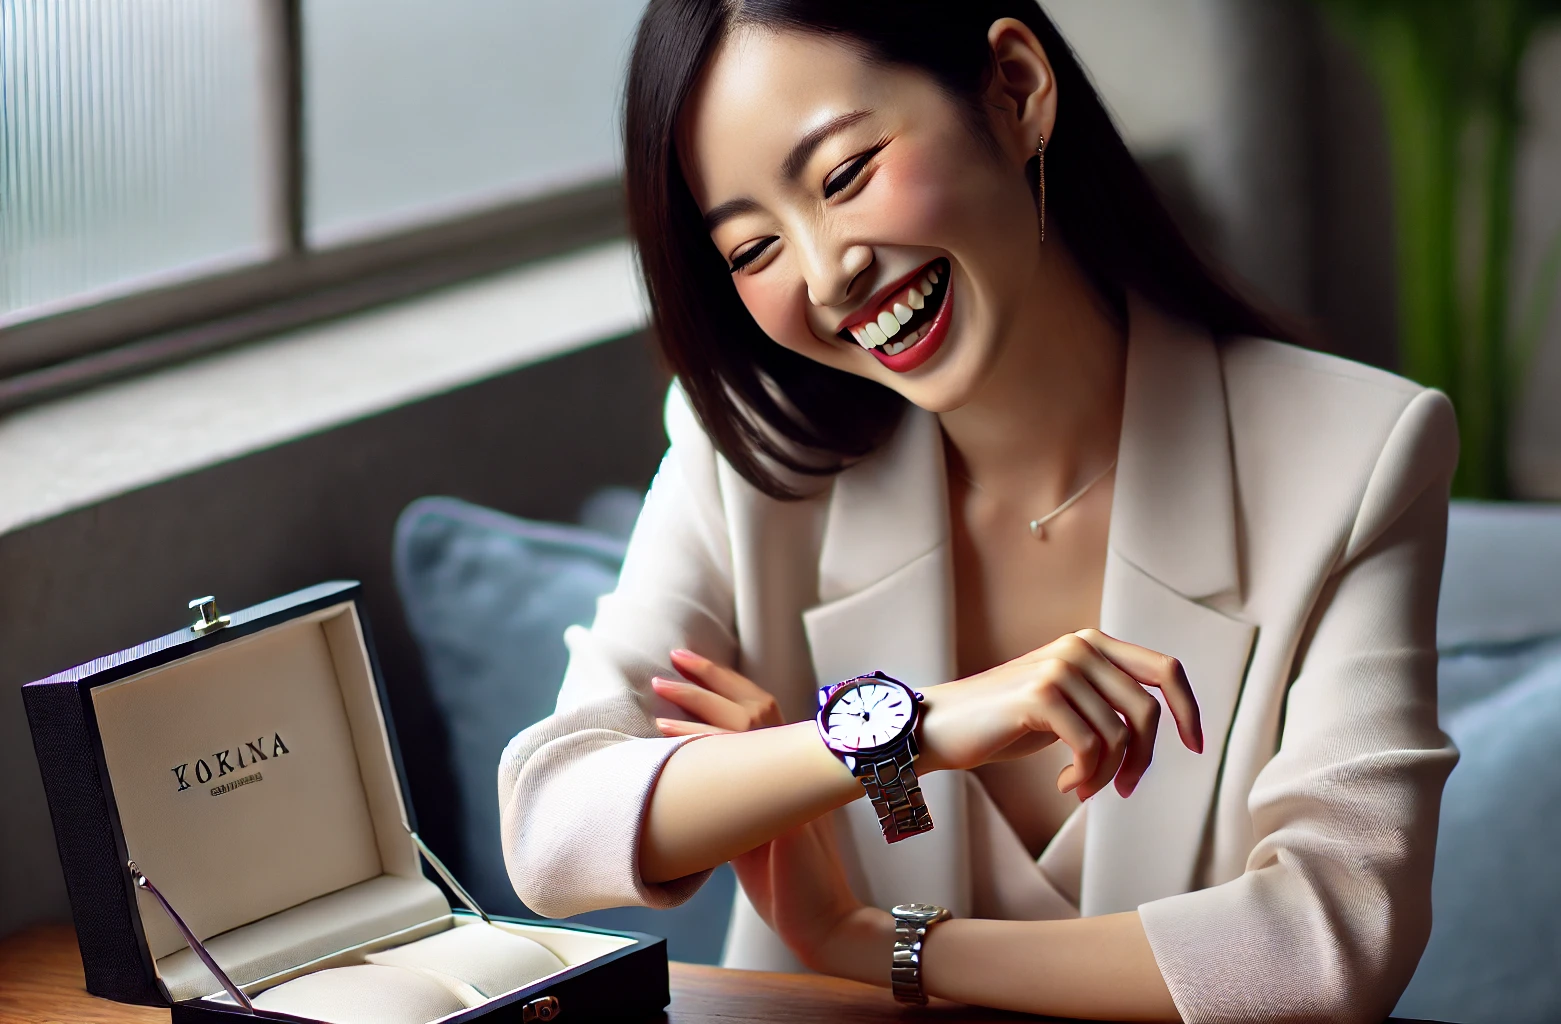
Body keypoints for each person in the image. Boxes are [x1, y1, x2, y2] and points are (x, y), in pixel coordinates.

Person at [499, 2, 1459, 1020]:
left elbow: (1324, 949)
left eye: (843, 176)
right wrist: (906, 730)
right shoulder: (750, 453)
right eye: (751, 248)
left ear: (1013, 91)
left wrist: (866, 942)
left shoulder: (1355, 455)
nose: (829, 275)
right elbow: (553, 826)